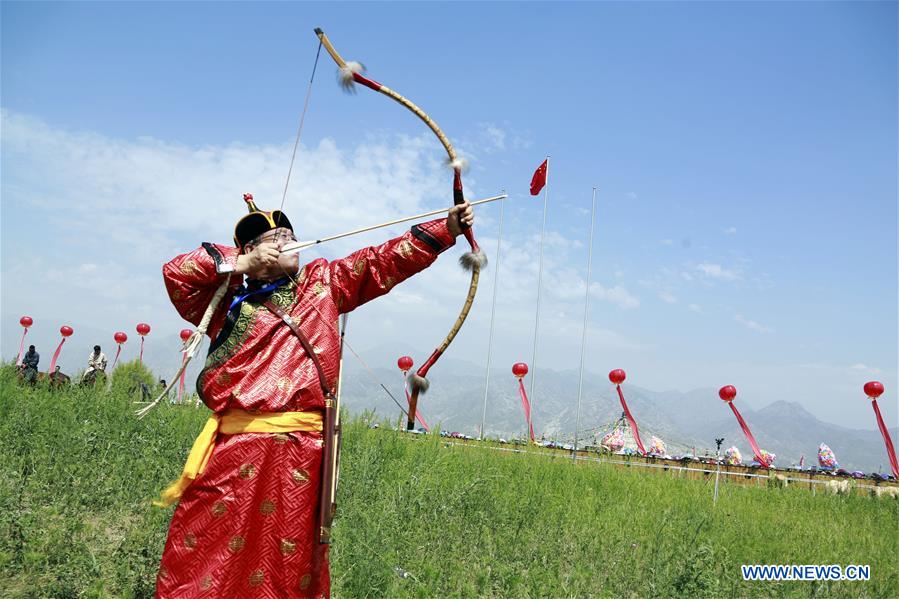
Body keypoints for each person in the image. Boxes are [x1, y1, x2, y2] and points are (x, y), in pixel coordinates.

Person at [154, 193, 473, 597]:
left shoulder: (323, 283)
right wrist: (240, 264)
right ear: (249, 251)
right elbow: (176, 273)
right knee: (208, 551)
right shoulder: (223, 300)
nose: (285, 241)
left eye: (289, 235)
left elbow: (381, 261)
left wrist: (445, 229)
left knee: (288, 562)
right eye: (272, 239)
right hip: (235, 450)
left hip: (301, 453)